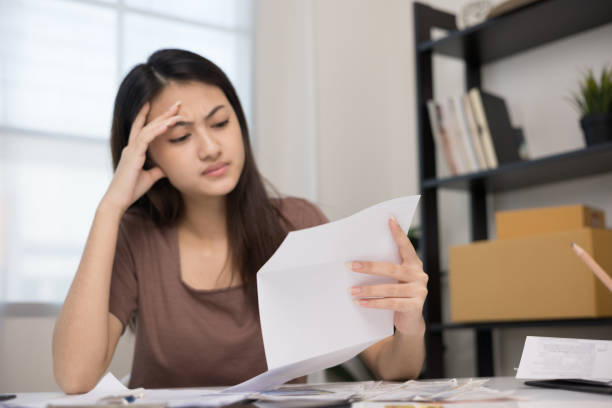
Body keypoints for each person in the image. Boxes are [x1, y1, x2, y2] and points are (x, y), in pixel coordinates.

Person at [52, 49, 428, 394]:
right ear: (147, 156)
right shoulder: (137, 236)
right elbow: (75, 376)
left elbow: (392, 367)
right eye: (181, 136)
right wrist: (109, 209)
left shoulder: (297, 221)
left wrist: (410, 325)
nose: (210, 147)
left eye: (219, 123)